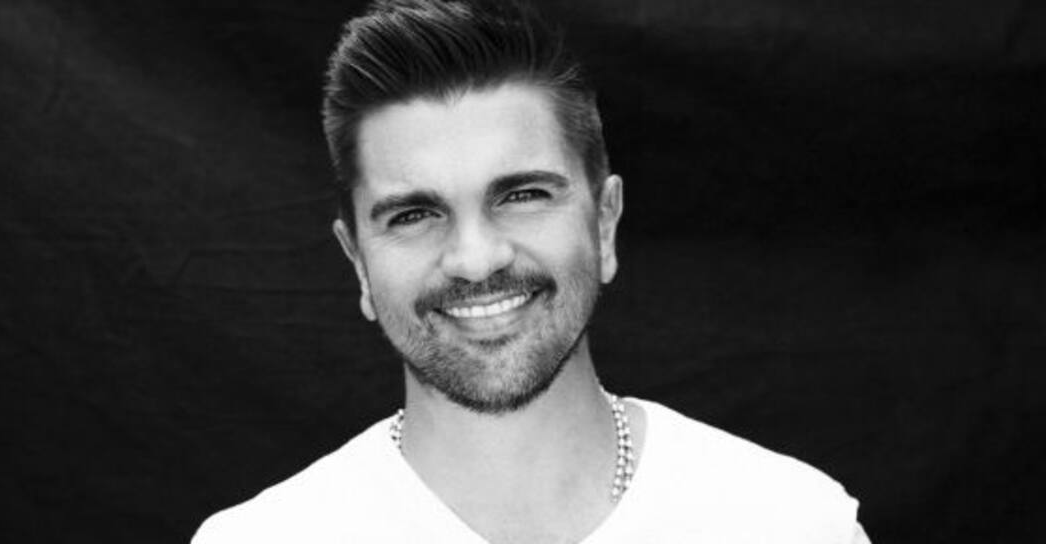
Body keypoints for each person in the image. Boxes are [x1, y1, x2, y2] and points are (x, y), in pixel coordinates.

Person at [194, 0, 870, 542]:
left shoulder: (790, 522)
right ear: (359, 265)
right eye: (414, 214)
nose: (475, 259)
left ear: (604, 223)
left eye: (521, 196)